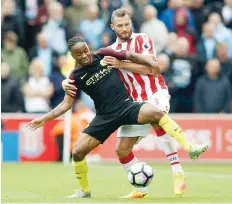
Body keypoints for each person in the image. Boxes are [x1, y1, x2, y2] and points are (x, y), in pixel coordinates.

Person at [31, 36, 210, 198]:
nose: (85, 55)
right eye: (79, 54)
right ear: (73, 56)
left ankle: (190, 147)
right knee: (77, 152)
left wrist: (150, 60)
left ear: (88, 46)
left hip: (126, 106)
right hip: (104, 116)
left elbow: (130, 55)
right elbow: (66, 104)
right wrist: (44, 119)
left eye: (85, 50)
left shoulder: (102, 54)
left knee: (156, 113)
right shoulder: (74, 76)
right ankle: (84, 190)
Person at [63, 8, 186, 198]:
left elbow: (153, 69)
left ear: (131, 23)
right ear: (113, 27)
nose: (124, 28)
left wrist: (122, 64)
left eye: (127, 24)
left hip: (154, 93)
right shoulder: (109, 52)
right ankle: (140, 189)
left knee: (156, 115)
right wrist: (66, 81)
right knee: (121, 150)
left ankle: (178, 170)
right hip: (131, 103)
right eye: (119, 25)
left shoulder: (143, 39)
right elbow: (86, 68)